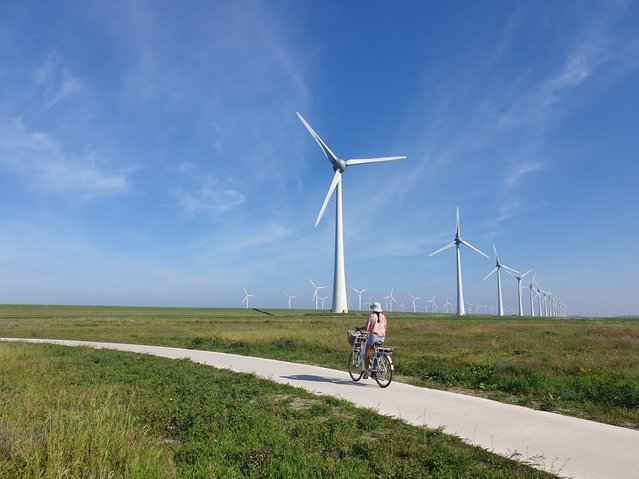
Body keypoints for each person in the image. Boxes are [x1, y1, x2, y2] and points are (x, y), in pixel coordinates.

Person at [359, 302, 387, 379]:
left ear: (373, 309)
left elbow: (367, 327)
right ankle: (374, 371)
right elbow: (385, 327)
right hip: (382, 337)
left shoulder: (372, 316)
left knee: (367, 354)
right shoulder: (383, 316)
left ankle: (366, 371)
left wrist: (359, 329)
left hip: (373, 337)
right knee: (376, 353)